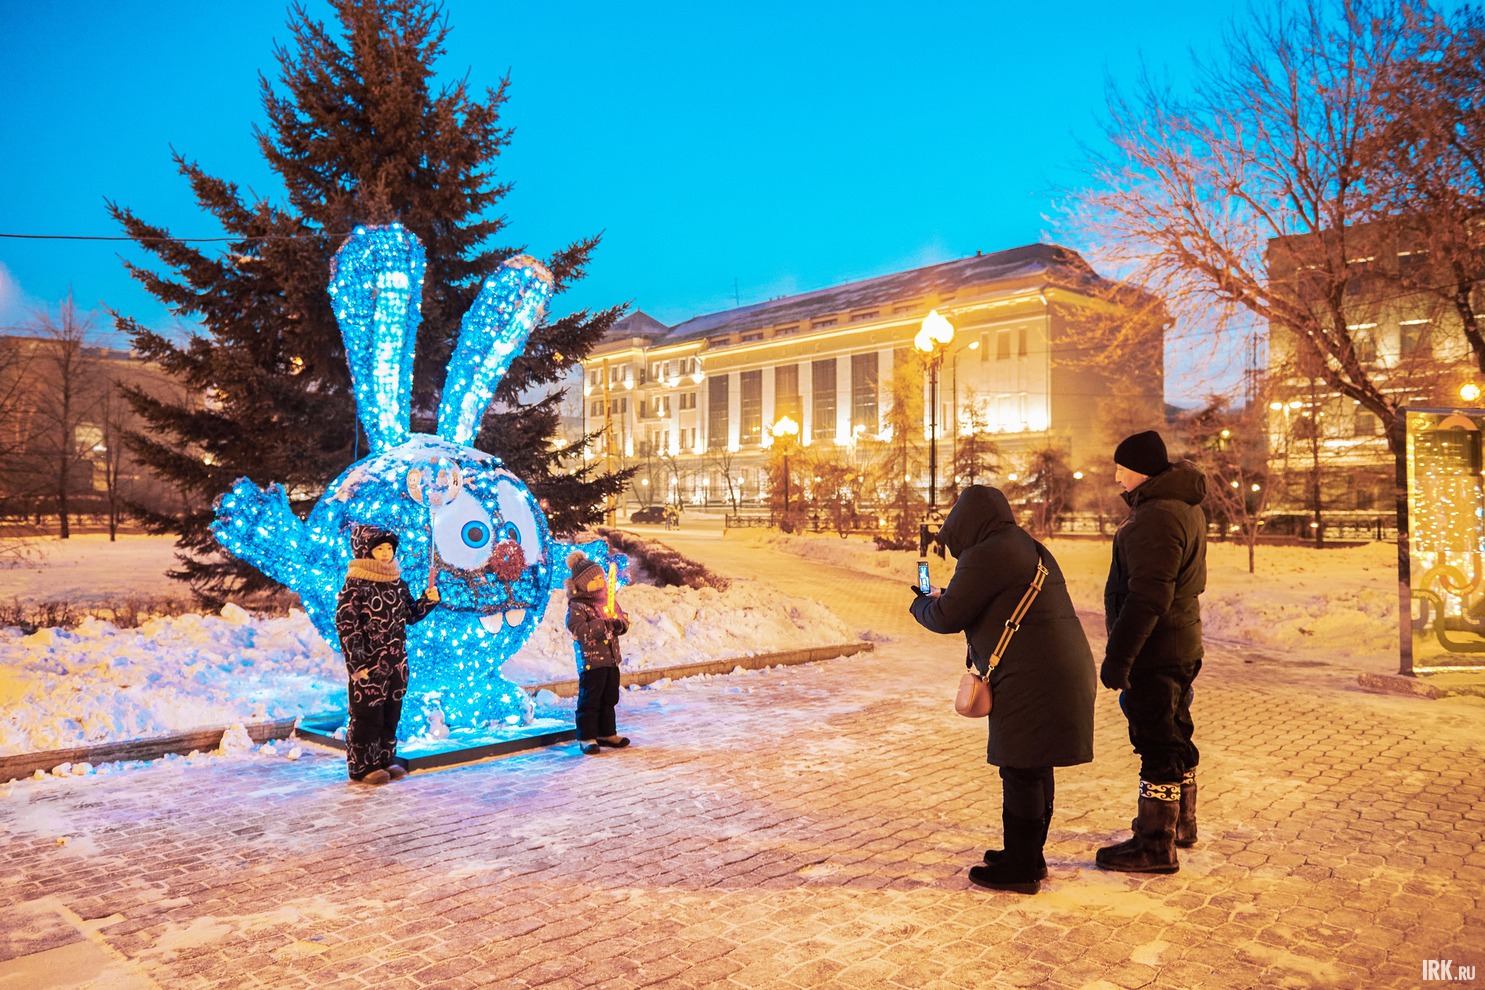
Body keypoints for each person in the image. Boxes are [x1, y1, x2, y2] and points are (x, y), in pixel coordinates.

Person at [910, 486, 1096, 894]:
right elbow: (985, 598)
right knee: (1033, 763)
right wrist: (952, 595)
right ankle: (1029, 854)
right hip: (1058, 669)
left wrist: (922, 603)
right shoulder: (1022, 545)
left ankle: (1020, 868)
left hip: (1032, 676)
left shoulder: (987, 553)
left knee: (1020, 766)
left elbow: (946, 616)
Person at [1095, 430, 1207, 874]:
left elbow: (1146, 599)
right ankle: (1181, 824)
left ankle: (1154, 843)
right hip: (1181, 642)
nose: (1116, 476)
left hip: (1157, 651)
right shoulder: (1183, 508)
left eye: (1120, 467)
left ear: (1140, 470)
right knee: (1177, 729)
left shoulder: (1154, 518)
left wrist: (1120, 658)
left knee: (1156, 740)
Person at [335, 524, 440, 785]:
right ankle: (362, 767)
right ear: (366, 551)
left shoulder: (397, 583)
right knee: (367, 716)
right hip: (370, 665)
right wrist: (358, 662)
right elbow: (347, 625)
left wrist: (427, 601)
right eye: (379, 548)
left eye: (389, 548)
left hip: (396, 663)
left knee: (391, 713)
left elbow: (409, 615)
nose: (385, 553)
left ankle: (384, 760)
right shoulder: (356, 585)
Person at [566, 551, 631, 755]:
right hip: (591, 661)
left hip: (611, 659)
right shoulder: (578, 606)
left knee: (609, 697)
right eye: (593, 579)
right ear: (582, 584)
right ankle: (586, 737)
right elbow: (578, 630)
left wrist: (620, 624)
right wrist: (604, 624)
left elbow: (622, 618)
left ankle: (607, 733)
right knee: (590, 699)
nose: (599, 581)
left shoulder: (607, 600)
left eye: (600, 577)